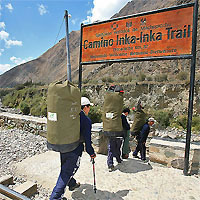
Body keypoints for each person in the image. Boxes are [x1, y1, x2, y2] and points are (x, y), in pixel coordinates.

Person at [50, 97, 96, 200]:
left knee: (65, 169)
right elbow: (88, 142)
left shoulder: (70, 117)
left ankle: (72, 184)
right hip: (75, 150)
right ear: (84, 107)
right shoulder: (86, 120)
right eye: (88, 107)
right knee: (66, 173)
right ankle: (55, 198)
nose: (89, 109)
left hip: (64, 147)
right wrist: (91, 153)